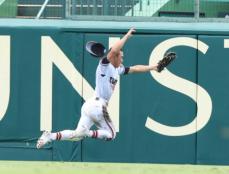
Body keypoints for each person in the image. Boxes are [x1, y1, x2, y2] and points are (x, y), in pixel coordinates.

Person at [36, 28, 175, 149]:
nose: (122, 59)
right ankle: (87, 133)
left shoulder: (117, 69)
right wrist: (126, 36)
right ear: (114, 56)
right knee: (111, 134)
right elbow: (114, 50)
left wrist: (154, 67)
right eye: (121, 57)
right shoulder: (104, 65)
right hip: (98, 105)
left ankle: (50, 136)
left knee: (76, 136)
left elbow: (135, 68)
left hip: (90, 105)